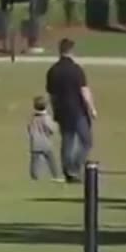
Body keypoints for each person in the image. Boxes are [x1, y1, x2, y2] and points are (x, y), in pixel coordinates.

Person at [45, 38, 98, 183]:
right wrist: (92, 108)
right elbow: (84, 91)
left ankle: (68, 170)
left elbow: (52, 95)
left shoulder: (53, 71)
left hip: (62, 111)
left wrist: (55, 110)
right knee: (86, 141)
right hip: (78, 110)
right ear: (71, 51)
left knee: (67, 142)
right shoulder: (76, 70)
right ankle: (75, 166)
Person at [28, 96, 59, 181]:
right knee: (51, 160)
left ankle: (34, 176)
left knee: (34, 162)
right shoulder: (46, 117)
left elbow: (29, 128)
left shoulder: (32, 118)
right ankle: (55, 175)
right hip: (45, 142)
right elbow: (52, 128)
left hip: (35, 142)